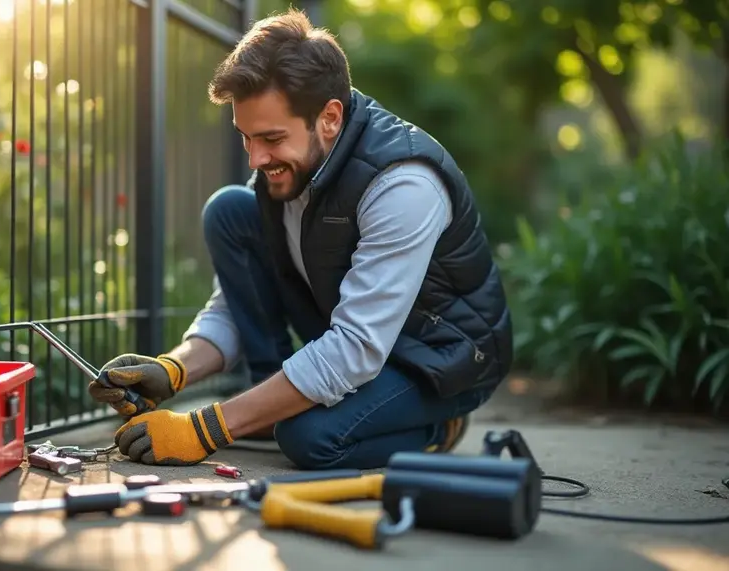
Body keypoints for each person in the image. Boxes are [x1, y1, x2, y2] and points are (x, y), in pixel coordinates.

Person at [87, 8, 513, 470]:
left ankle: (435, 428)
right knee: (230, 210)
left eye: (270, 138)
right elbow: (233, 305)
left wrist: (208, 427)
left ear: (330, 117)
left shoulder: (403, 184)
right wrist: (174, 369)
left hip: (438, 361)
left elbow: (354, 348)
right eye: (246, 138)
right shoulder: (289, 172)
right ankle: (269, 406)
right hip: (358, 337)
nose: (255, 158)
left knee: (311, 439)